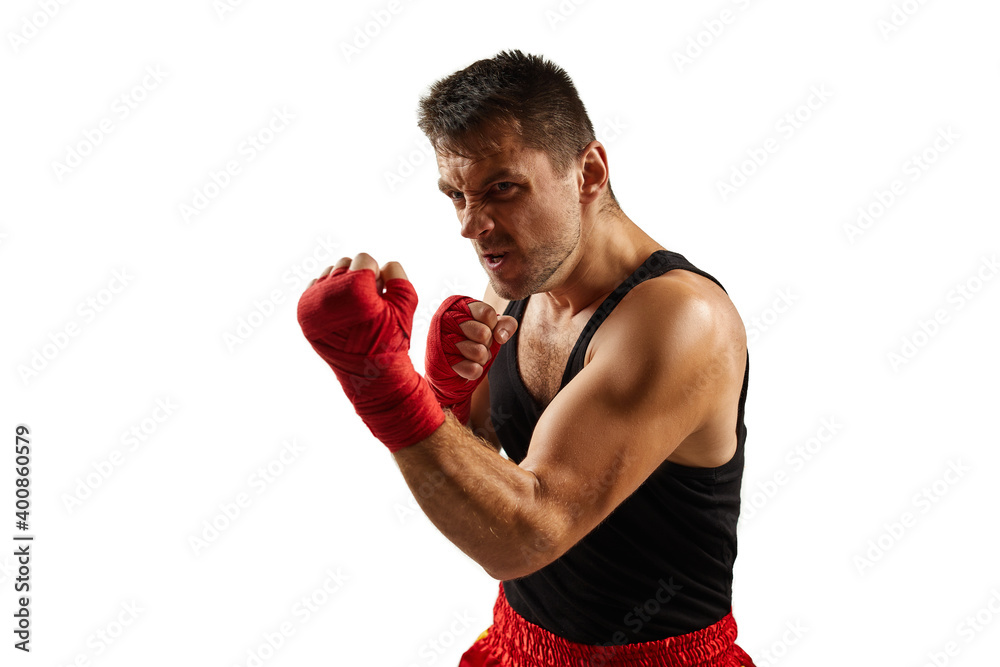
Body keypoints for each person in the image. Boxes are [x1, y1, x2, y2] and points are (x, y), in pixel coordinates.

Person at [297, 50, 755, 667]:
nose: (470, 223)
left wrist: (381, 381)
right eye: (456, 194)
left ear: (588, 171)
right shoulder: (522, 283)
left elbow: (525, 534)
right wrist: (447, 398)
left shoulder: (678, 320)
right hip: (513, 644)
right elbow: (482, 470)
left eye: (502, 188)